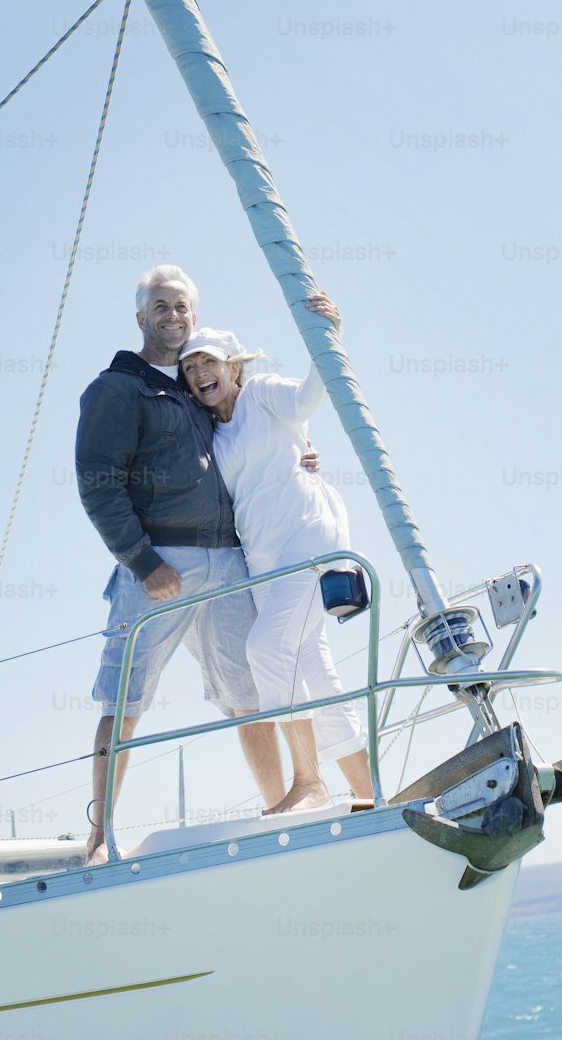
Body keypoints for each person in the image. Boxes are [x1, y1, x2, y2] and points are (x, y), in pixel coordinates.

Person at [75, 265, 286, 864]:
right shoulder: (116, 389)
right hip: (158, 568)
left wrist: (300, 457)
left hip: (229, 560)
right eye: (161, 307)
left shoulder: (199, 388)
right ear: (141, 318)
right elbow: (98, 484)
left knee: (250, 695)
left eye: (183, 307)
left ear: (195, 315)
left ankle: (279, 811)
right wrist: (143, 562)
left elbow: (248, 439)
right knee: (125, 700)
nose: (173, 316)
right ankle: (99, 838)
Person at [179, 293, 374, 815]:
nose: (200, 373)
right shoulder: (212, 435)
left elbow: (312, 398)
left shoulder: (262, 393)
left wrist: (328, 333)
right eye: (191, 367)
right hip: (263, 561)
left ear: (234, 366)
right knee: (315, 670)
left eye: (209, 362)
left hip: (309, 536)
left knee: (265, 648)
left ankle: (309, 781)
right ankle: (371, 796)